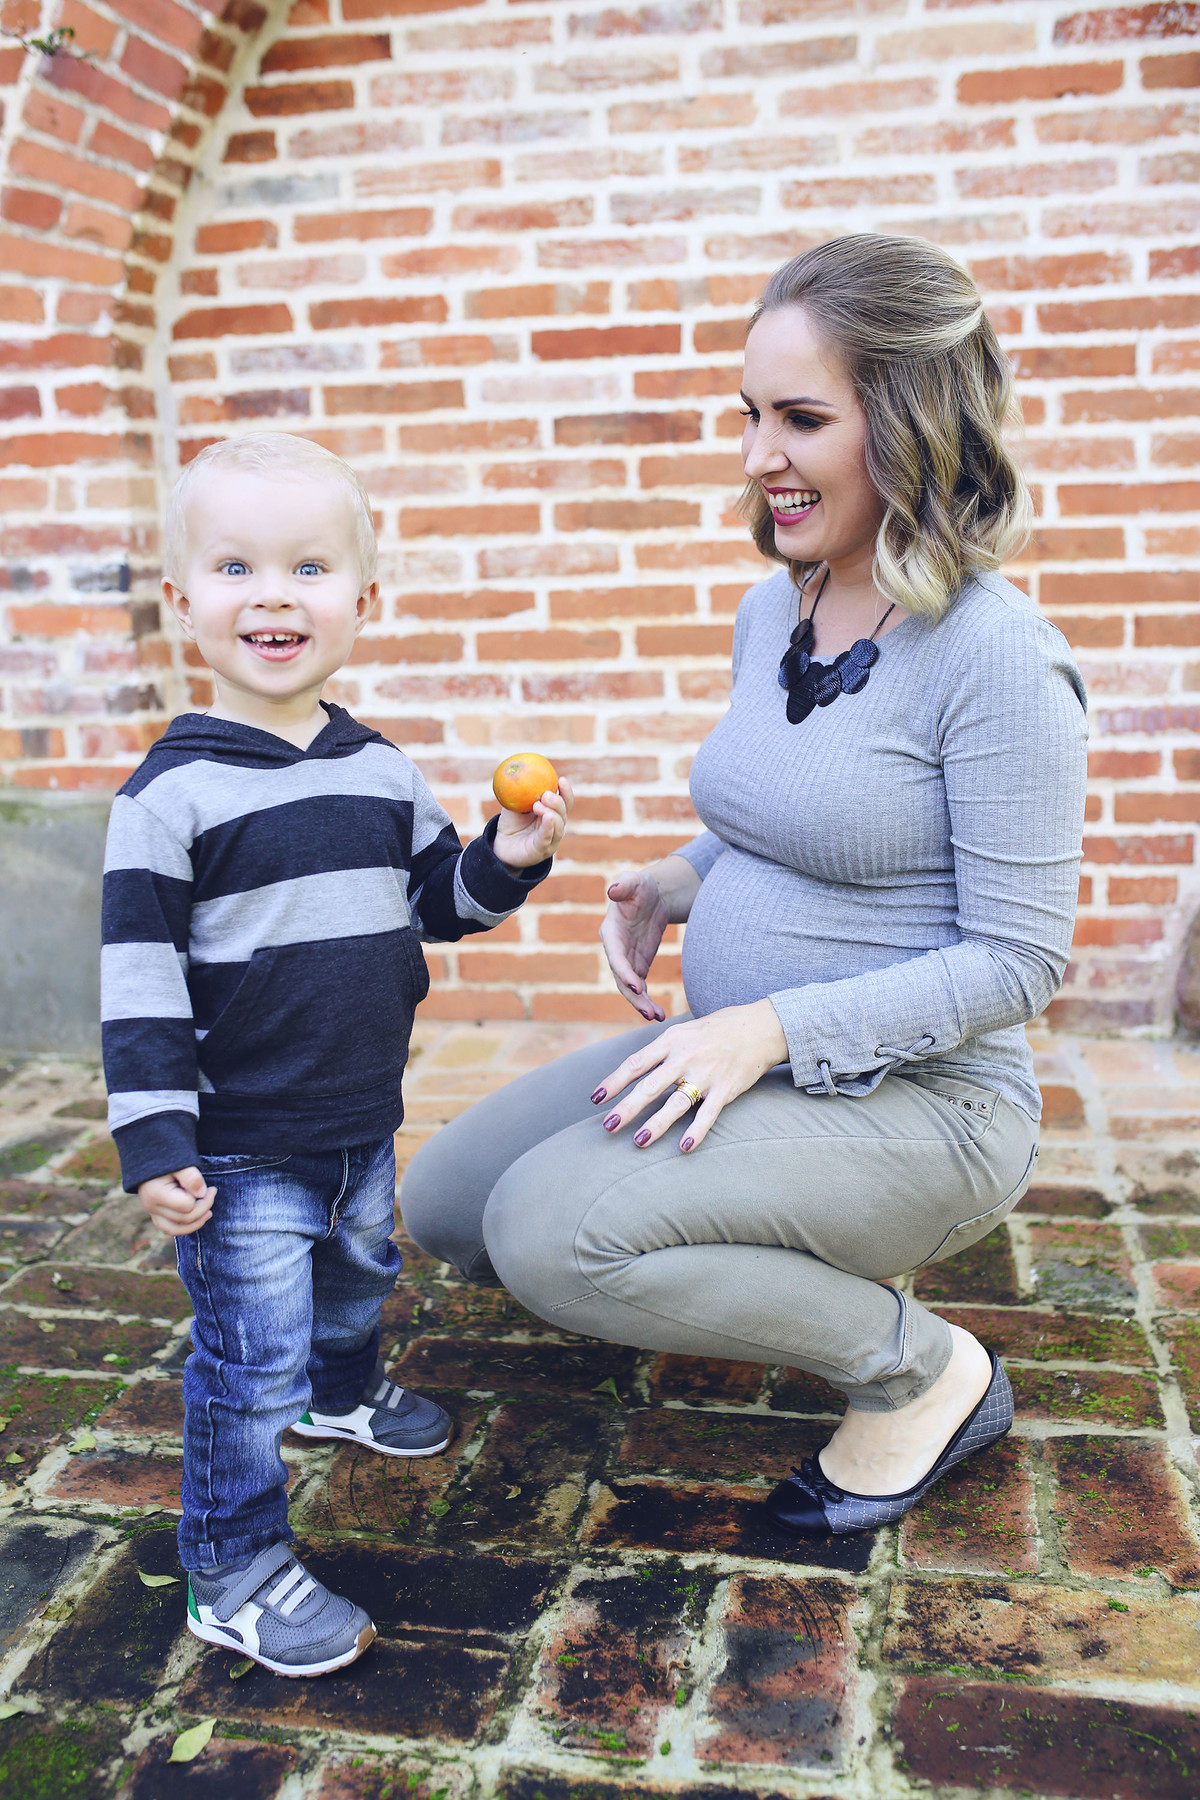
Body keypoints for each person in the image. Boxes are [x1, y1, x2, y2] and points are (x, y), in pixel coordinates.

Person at [401, 234, 1087, 1539]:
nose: (762, 455)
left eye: (803, 419)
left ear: (913, 423)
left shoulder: (1001, 661)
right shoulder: (781, 606)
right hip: (743, 1065)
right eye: (751, 415)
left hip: (922, 1104)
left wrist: (767, 1026)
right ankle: (681, 1248)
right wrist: (679, 876)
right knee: (449, 1206)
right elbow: (801, 816)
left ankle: (925, 1376)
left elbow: (1019, 965)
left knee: (551, 1236)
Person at [100, 432, 570, 1673]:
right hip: (240, 1141)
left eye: (308, 566)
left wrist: (503, 863)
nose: (272, 594)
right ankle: (233, 1563)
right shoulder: (169, 797)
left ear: (364, 600)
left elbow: (436, 901)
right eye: (237, 565)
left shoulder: (380, 768)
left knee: (361, 1274)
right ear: (183, 601)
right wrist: (154, 1139)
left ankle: (345, 1389)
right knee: (246, 1367)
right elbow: (138, 986)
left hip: (360, 1112)